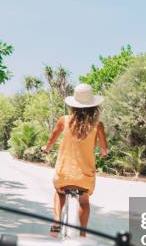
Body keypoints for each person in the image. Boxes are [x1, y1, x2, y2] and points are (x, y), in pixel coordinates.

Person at [43, 83, 108, 236]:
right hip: (84, 177)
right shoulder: (98, 125)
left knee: (60, 192)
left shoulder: (63, 121)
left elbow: (51, 140)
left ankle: (57, 219)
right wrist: (104, 153)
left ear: (74, 105)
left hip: (64, 174)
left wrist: (47, 149)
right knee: (84, 202)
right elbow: (104, 148)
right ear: (94, 106)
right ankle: (83, 234)